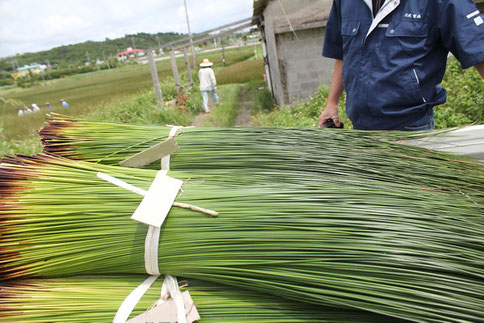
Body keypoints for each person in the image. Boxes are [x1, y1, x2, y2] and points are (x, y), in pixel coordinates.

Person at [319, 0, 484, 131]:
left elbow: (478, 49)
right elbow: (343, 54)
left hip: (412, 129)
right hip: (362, 130)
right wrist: (332, 103)